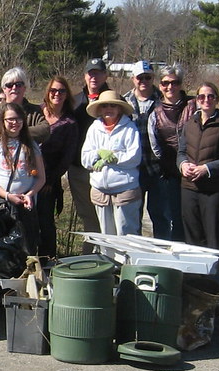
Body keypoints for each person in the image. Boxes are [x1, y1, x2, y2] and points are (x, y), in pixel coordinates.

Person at [178, 82, 219, 278]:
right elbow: (181, 152)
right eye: (202, 97)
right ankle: (196, 283)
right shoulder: (189, 125)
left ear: (217, 99)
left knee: (215, 238)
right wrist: (182, 165)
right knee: (193, 239)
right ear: (196, 100)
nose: (206, 100)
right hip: (189, 189)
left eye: (211, 96)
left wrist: (207, 168)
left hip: (213, 191)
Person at [0, 101, 45, 254]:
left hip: (26, 203)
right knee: (3, 246)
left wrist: (30, 195)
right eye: (9, 119)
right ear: (3, 122)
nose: (14, 123)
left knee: (28, 245)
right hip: (2, 203)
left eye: (18, 119)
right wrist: (7, 195)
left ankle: (28, 274)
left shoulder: (31, 145)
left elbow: (41, 178)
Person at [81, 90, 142, 236]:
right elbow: (85, 158)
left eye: (113, 106)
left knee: (126, 235)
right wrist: (98, 154)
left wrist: (113, 158)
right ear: (100, 109)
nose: (109, 109)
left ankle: (126, 260)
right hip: (100, 191)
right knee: (106, 235)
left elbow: (134, 157)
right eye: (105, 106)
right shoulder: (94, 128)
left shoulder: (129, 128)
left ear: (119, 108)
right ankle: (108, 259)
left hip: (125, 190)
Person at [148, 66, 196, 241]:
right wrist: (171, 165)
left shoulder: (194, 105)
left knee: (193, 217)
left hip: (194, 171)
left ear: (181, 84)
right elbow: (156, 147)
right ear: (160, 85)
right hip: (171, 174)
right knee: (174, 215)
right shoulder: (156, 113)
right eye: (165, 83)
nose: (170, 87)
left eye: (174, 82)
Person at [68, 58, 112, 233]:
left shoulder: (113, 100)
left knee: (107, 214)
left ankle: (110, 253)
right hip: (79, 167)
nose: (94, 77)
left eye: (98, 73)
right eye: (90, 73)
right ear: (85, 76)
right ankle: (91, 253)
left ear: (105, 75)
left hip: (107, 169)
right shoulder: (74, 101)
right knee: (87, 214)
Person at [37, 76, 79, 258]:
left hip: (48, 180)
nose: (57, 94)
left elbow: (67, 158)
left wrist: (50, 181)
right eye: (53, 90)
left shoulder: (70, 123)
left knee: (45, 222)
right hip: (26, 177)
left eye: (61, 91)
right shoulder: (37, 113)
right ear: (47, 92)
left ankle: (48, 260)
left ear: (67, 95)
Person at [123, 60, 166, 236]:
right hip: (133, 170)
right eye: (140, 77)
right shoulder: (124, 102)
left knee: (161, 216)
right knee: (133, 217)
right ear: (133, 79)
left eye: (147, 77)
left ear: (153, 78)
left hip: (158, 169)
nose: (144, 81)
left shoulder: (163, 101)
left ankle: (162, 257)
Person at [0, 67, 49, 144]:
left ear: (25, 88)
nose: (14, 88)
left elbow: (45, 130)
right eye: (9, 85)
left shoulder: (35, 110)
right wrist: (26, 134)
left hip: (30, 155)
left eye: (18, 85)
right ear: (4, 89)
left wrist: (12, 132)